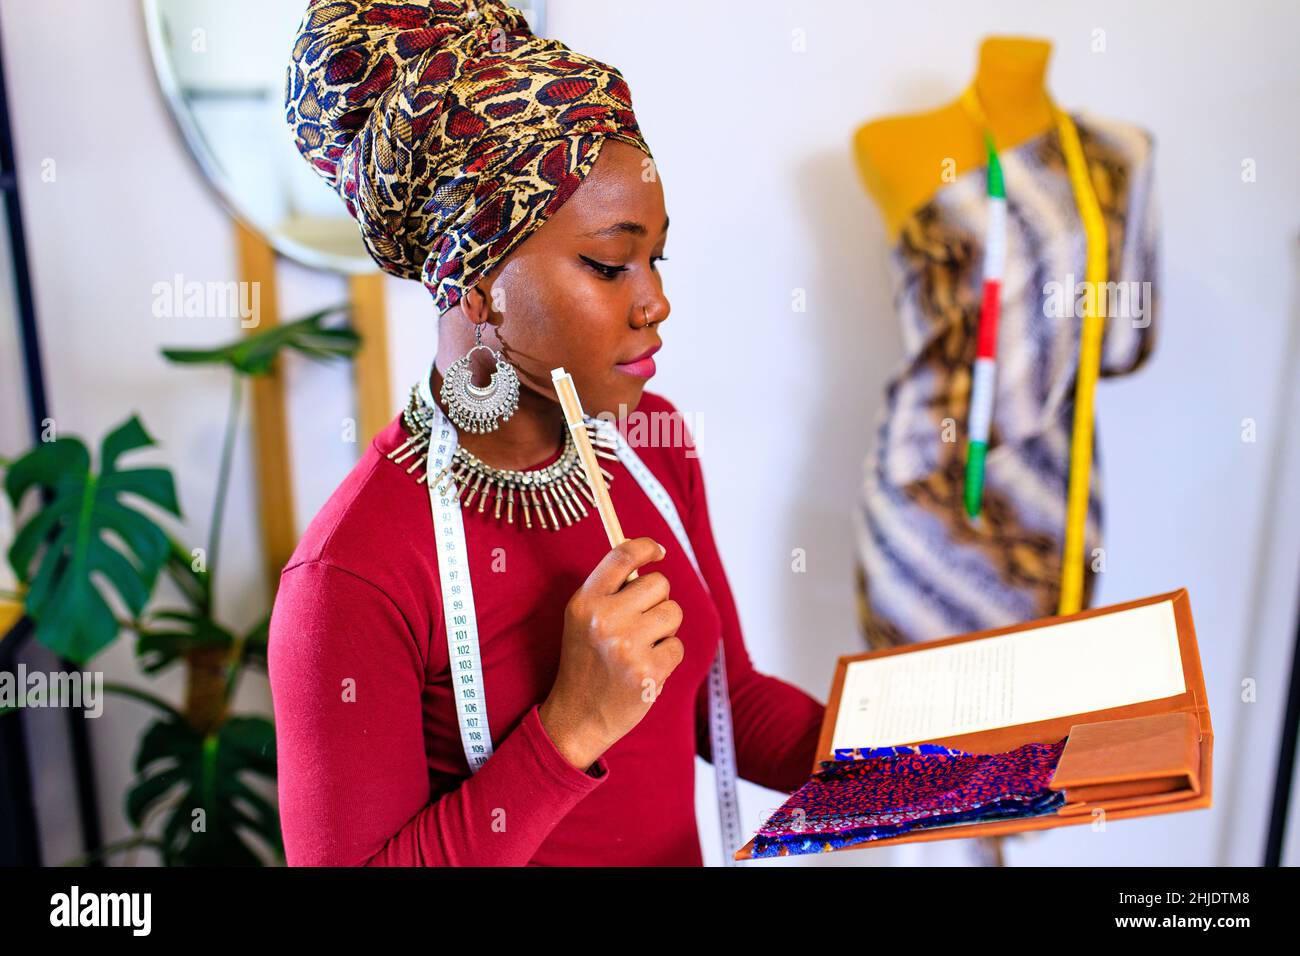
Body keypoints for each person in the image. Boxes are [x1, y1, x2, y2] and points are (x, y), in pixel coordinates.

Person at [268, 0, 825, 866]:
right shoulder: (350, 578)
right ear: (475, 281)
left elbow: (729, 701)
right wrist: (571, 725)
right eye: (609, 263)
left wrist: (942, 760)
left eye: (657, 258)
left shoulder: (655, 444)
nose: (655, 302)